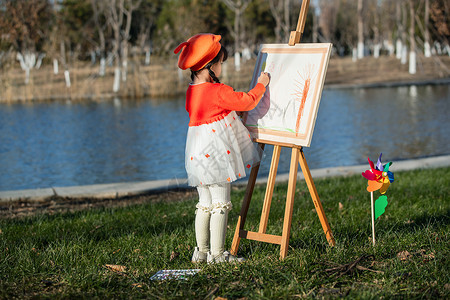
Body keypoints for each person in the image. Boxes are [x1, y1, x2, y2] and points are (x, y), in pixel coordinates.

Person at [174, 33, 270, 263]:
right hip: (215, 154)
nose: (222, 66)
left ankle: (201, 252)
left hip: (196, 153)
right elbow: (247, 101)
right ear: (210, 67)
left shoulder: (191, 91)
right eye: (220, 63)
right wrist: (262, 85)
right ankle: (218, 255)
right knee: (220, 203)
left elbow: (212, 112)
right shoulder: (217, 90)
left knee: (204, 203)